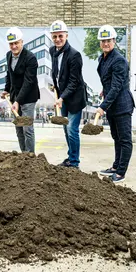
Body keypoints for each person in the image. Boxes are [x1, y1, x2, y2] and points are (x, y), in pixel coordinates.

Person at [95, 25, 135, 183]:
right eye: (103, 40)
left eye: (108, 40)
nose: (105, 43)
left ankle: (121, 172)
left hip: (122, 105)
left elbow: (117, 87)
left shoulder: (119, 61)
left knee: (125, 139)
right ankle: (115, 166)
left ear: (114, 41)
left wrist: (102, 107)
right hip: (112, 104)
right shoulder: (102, 58)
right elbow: (109, 82)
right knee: (116, 137)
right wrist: (104, 90)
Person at [49, 20, 87, 168]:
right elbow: (57, 74)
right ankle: (70, 157)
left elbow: (74, 82)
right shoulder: (53, 51)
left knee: (72, 129)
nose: (57, 39)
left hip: (75, 98)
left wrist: (61, 98)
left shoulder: (75, 55)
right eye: (55, 36)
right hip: (62, 97)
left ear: (66, 35)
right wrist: (56, 88)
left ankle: (75, 162)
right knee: (66, 129)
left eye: (60, 36)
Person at [0, 27, 40, 153]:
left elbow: (29, 82)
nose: (14, 46)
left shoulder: (30, 58)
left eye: (16, 43)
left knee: (27, 128)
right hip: (15, 96)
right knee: (18, 127)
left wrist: (18, 101)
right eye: (11, 44)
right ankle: (24, 155)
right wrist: (7, 89)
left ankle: (30, 157)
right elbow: (9, 74)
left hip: (28, 97)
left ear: (22, 42)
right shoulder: (8, 55)